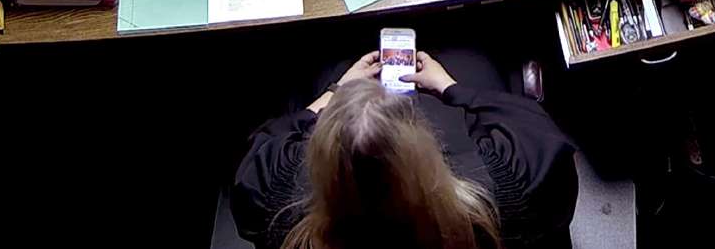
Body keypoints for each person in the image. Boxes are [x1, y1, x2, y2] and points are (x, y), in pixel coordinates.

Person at [232, 49, 577, 249]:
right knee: (474, 60)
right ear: (422, 142)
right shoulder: (501, 199)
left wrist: (334, 92)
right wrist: (449, 87)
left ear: (320, 157)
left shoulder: (277, 209)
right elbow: (534, 126)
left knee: (323, 64)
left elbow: (269, 138)